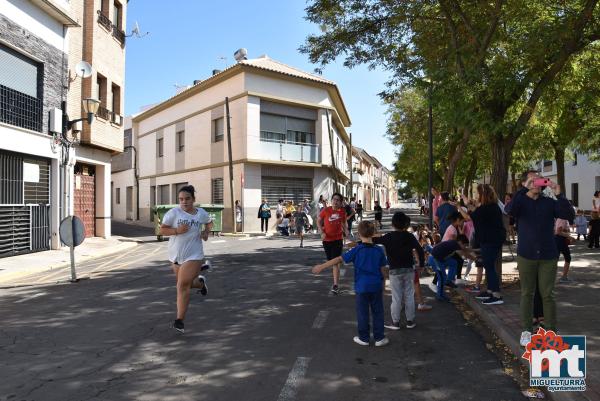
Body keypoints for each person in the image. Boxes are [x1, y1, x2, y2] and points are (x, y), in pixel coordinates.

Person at [505, 170, 574, 347]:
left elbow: (568, 215)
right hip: (526, 254)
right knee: (527, 293)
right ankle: (527, 331)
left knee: (548, 295)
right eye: (532, 179)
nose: (537, 181)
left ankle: (551, 331)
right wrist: (522, 190)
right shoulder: (520, 201)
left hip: (548, 255)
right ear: (525, 182)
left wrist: (559, 193)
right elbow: (509, 210)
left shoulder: (549, 202)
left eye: (539, 178)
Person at [312, 221, 389, 346]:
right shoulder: (379, 250)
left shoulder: (357, 250)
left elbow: (339, 259)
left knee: (362, 313)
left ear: (359, 234)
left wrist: (322, 266)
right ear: (374, 233)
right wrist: (384, 285)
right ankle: (379, 338)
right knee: (378, 312)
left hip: (361, 287)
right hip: (376, 286)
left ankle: (364, 338)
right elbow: (383, 269)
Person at [159, 185, 212, 333]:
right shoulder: (173, 213)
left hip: (194, 255)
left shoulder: (200, 213)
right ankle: (201, 284)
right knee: (187, 283)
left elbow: (209, 222)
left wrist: (206, 232)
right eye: (181, 199)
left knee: (182, 286)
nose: (184, 202)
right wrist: (177, 231)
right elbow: (162, 229)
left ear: (193, 199)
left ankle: (179, 321)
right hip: (175, 255)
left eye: (187, 199)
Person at [373, 212, 425, 329]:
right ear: (406, 224)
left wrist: (362, 239)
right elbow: (420, 250)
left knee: (396, 297)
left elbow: (375, 241)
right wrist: (421, 264)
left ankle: (395, 322)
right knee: (409, 296)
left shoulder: (389, 236)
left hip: (394, 270)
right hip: (408, 269)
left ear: (393, 223)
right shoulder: (410, 236)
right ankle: (410, 321)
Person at [459, 185, 506, 305]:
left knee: (489, 266)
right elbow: (476, 212)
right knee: (488, 265)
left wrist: (460, 207)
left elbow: (469, 217)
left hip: (491, 240)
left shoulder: (487, 208)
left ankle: (496, 295)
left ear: (482, 195)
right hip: (490, 239)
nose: (475, 196)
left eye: (477, 193)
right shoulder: (489, 206)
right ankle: (490, 291)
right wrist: (468, 204)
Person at [317, 193, 349, 294]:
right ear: (331, 200)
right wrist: (321, 232)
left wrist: (346, 230)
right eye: (334, 199)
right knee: (331, 261)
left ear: (341, 202)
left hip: (338, 239)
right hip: (327, 240)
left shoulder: (342, 211)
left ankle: (335, 285)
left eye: (338, 200)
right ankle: (337, 264)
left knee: (335, 262)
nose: (335, 201)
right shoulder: (326, 210)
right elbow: (318, 221)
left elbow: (343, 223)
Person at [428, 235, 474, 301]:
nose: (465, 246)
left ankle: (449, 280)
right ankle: (440, 295)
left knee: (453, 262)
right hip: (435, 259)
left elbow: (465, 249)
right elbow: (465, 254)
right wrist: (476, 259)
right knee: (442, 277)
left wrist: (477, 250)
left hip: (440, 258)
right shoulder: (455, 245)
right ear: (460, 242)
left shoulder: (455, 244)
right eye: (465, 245)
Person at [555, 218, 572, 282]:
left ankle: (563, 277)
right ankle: (564, 277)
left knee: (556, 258)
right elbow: (559, 232)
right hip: (560, 240)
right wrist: (570, 237)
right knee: (567, 257)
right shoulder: (563, 219)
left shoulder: (561, 219)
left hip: (560, 240)